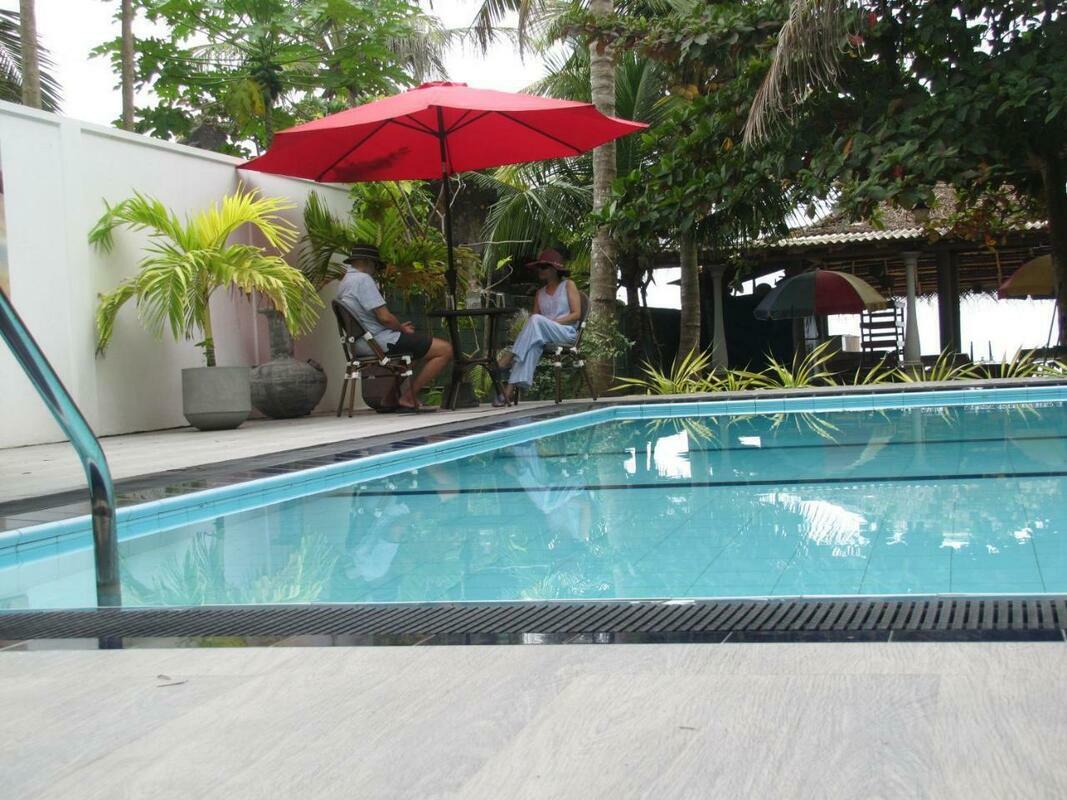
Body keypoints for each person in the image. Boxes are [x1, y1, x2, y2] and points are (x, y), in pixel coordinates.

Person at [336, 243, 452, 412]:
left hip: (360, 343)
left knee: (415, 350)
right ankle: (408, 397)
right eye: (376, 265)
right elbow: (385, 317)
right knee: (445, 350)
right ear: (368, 261)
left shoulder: (345, 282)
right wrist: (402, 329)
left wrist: (398, 329)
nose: (376, 270)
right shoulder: (363, 280)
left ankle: (389, 399)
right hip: (376, 342)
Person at [494, 248, 582, 406]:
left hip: (565, 332)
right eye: (539, 267)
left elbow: (576, 314)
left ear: (555, 269)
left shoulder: (568, 285)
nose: (540, 270)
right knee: (532, 346)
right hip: (543, 334)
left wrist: (552, 323)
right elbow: (533, 324)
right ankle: (508, 391)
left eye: (544, 267)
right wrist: (544, 324)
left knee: (535, 320)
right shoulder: (539, 293)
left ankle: (510, 355)